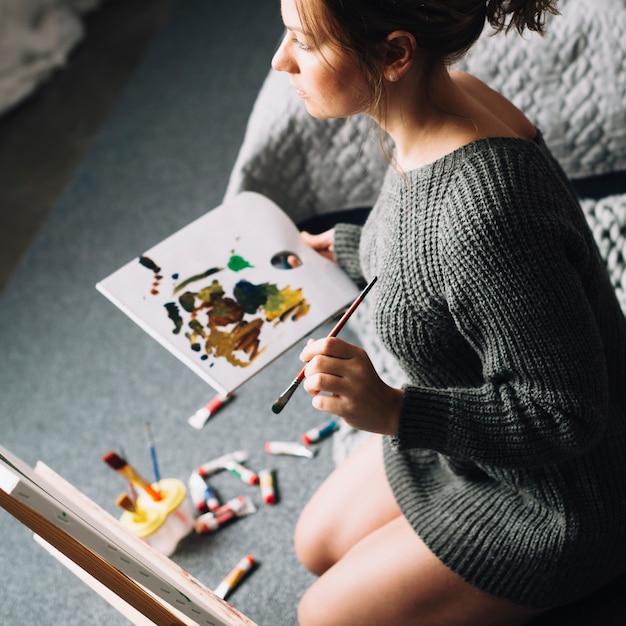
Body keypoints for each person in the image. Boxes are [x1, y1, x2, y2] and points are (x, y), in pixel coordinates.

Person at [271, 0, 626, 625]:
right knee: (314, 545)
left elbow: (567, 413)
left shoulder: (485, 212)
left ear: (395, 54)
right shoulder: (441, 102)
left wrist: (394, 410)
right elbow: (418, 236)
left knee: (318, 617)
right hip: (465, 436)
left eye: (304, 41)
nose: (281, 62)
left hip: (561, 496)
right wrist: (351, 249)